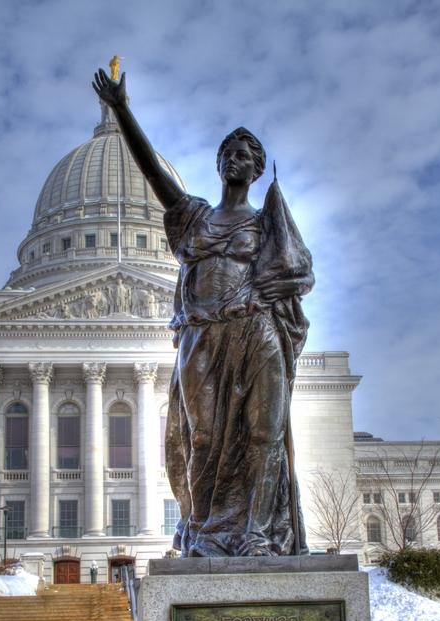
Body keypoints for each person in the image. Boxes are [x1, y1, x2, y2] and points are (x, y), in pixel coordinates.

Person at [93, 68, 314, 557]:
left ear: (256, 169)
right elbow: (154, 175)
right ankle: (206, 528)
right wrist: (123, 111)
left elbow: (297, 273)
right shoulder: (194, 217)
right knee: (204, 436)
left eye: (245, 155)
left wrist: (260, 298)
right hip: (204, 336)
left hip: (255, 333)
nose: (235, 160)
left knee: (264, 433)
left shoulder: (266, 224)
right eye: (227, 153)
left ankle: (256, 533)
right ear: (218, 165)